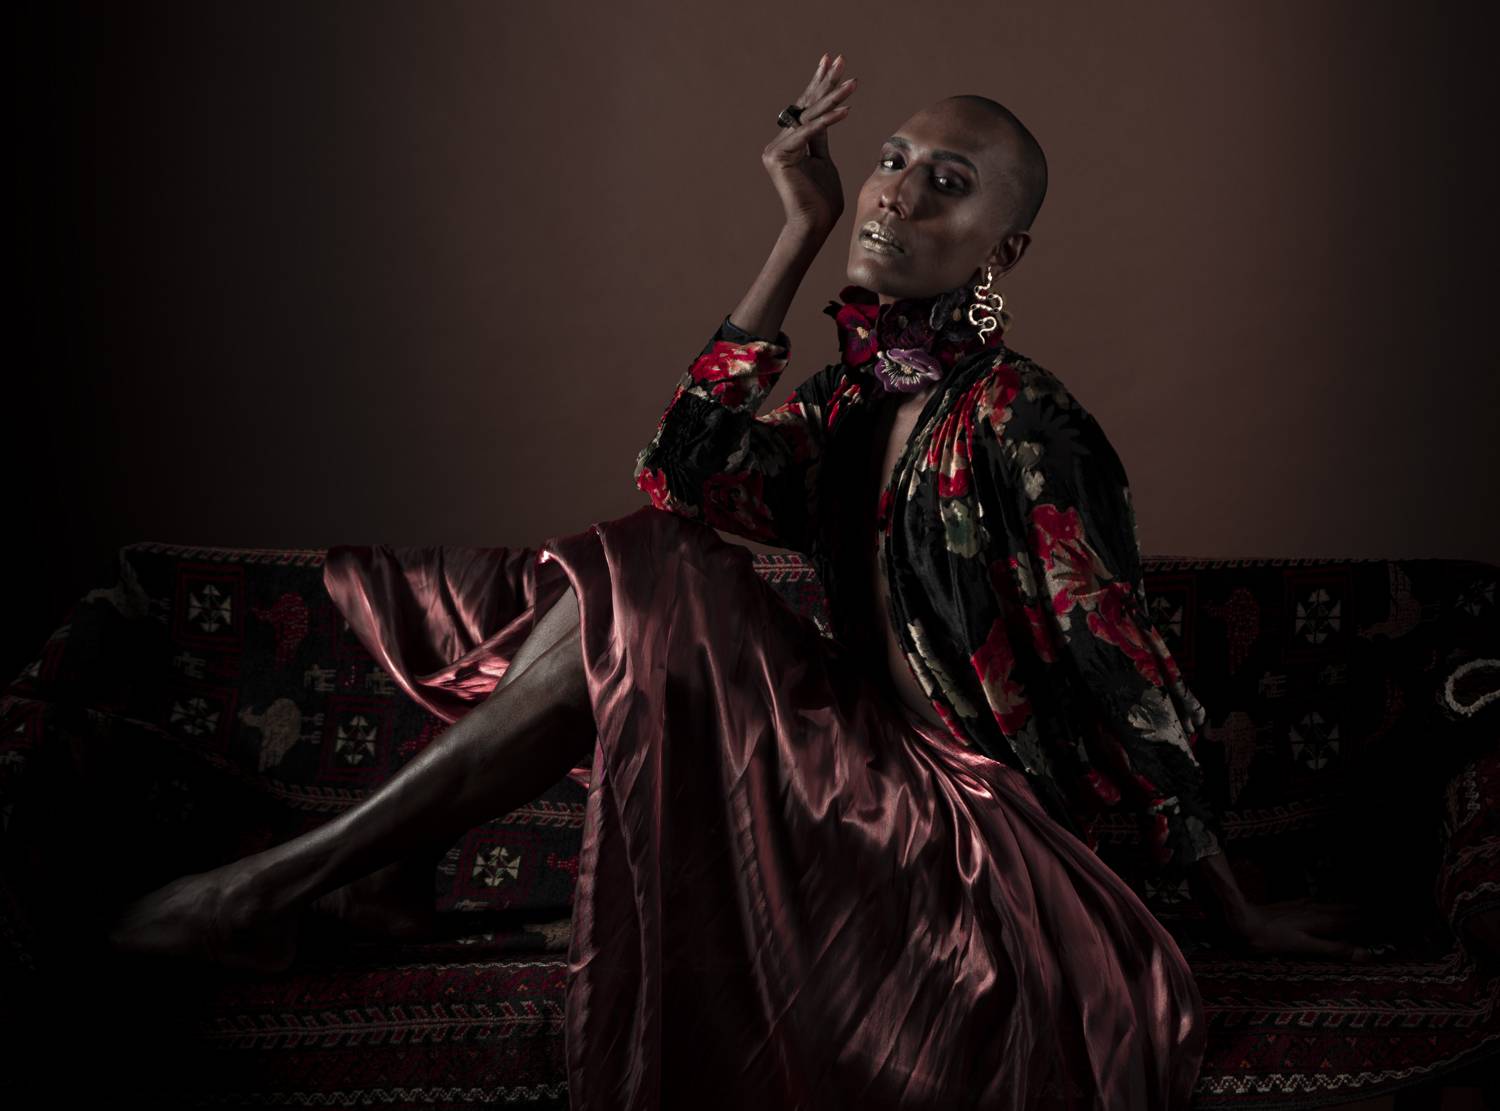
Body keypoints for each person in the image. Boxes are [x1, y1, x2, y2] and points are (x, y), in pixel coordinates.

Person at [105, 52, 1372, 1108]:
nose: (896, 192)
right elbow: (679, 476)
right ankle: (361, 878)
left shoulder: (1024, 420)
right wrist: (796, 231)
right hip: (861, 798)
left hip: (978, 849)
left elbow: (1126, 670)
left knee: (659, 576)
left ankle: (274, 889)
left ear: (1008, 248)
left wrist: (1233, 907)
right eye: (890, 161)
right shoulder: (846, 406)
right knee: (648, 563)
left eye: (948, 184)